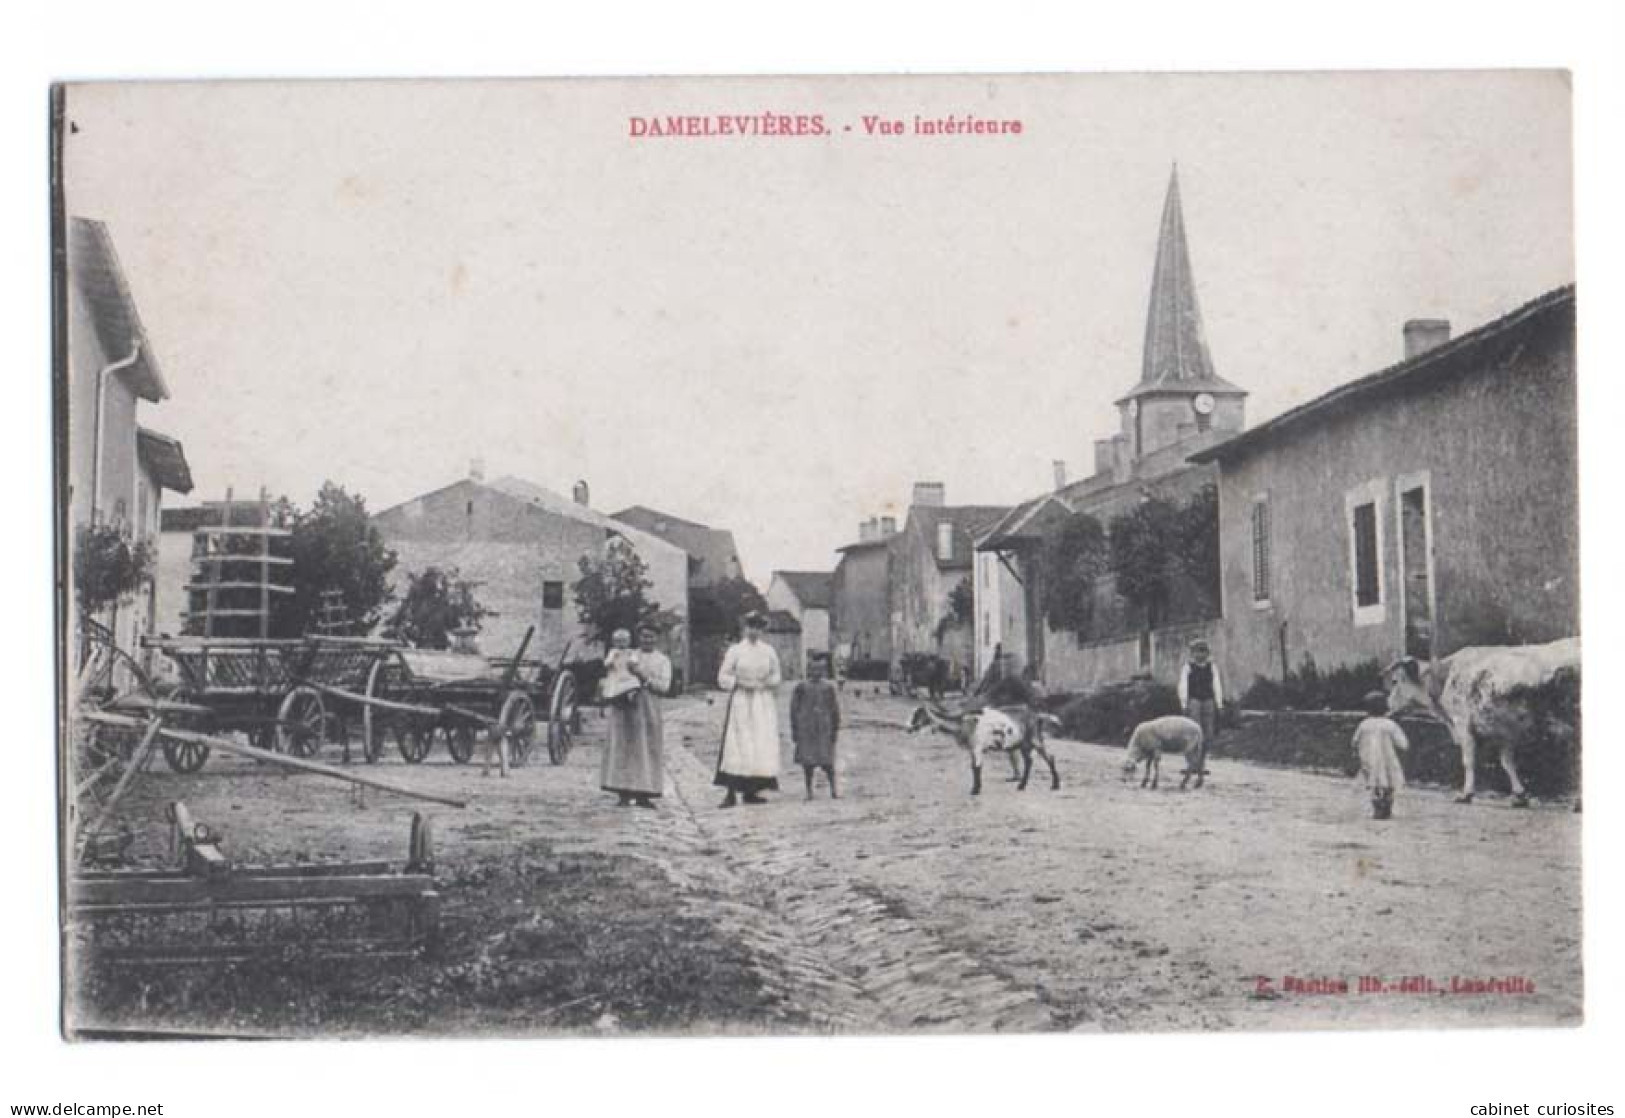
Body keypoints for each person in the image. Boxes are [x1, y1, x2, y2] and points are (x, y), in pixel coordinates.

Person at [715, 611, 783, 807]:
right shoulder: (735, 650)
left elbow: (777, 675)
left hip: (762, 701)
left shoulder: (768, 651)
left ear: (762, 629)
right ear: (744, 628)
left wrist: (766, 683)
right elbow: (723, 676)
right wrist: (739, 682)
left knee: (759, 743)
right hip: (742, 701)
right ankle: (730, 793)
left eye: (758, 627)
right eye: (750, 626)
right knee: (737, 743)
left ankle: (752, 791)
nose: (754, 631)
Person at [600, 626, 671, 808]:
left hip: (648, 709)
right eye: (644, 637)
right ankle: (623, 791)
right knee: (623, 747)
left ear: (657, 638)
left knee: (645, 749)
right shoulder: (629, 653)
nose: (647, 640)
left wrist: (643, 676)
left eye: (651, 637)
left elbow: (664, 687)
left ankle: (644, 794)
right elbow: (612, 671)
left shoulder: (662, 660)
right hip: (624, 707)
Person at [791, 654, 842, 800]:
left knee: (828, 763)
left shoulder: (828, 688)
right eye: (813, 669)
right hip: (806, 729)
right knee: (808, 764)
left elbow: (834, 709)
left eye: (819, 669)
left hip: (823, 730)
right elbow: (794, 709)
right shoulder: (801, 687)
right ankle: (809, 791)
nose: (816, 672)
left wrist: (835, 729)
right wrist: (795, 729)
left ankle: (834, 789)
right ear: (808, 671)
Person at [1353, 690, 1409, 819]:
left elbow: (1355, 741)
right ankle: (1387, 807)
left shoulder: (1364, 725)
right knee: (1390, 784)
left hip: (1369, 760)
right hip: (1388, 760)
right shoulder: (1390, 725)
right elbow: (1403, 743)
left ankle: (1377, 807)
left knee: (1374, 784)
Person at [1177, 639, 1223, 780]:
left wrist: (1219, 704)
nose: (1200, 654)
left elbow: (1217, 685)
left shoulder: (1212, 667)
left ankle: (1202, 765)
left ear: (1207, 653)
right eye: (1197, 651)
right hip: (1194, 701)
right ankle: (1191, 764)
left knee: (1207, 734)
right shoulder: (1188, 668)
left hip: (1208, 700)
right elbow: (1183, 685)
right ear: (1192, 653)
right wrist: (1184, 703)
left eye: (1203, 651)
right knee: (1192, 733)